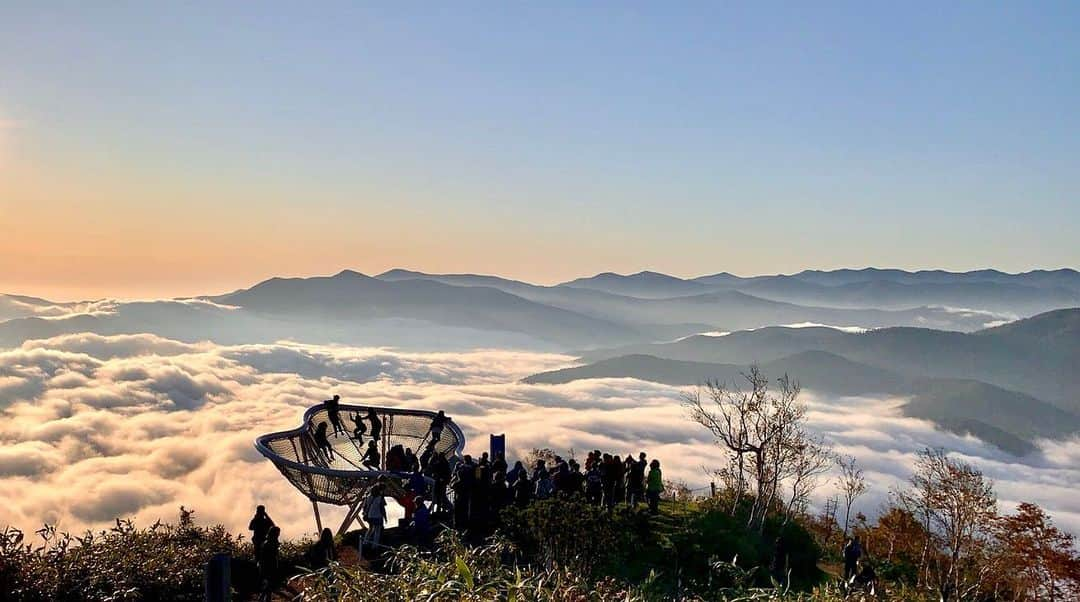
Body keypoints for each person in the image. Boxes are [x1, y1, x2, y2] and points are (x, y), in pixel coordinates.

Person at [257, 525, 280, 602]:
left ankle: (264, 599)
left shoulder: (268, 542)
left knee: (269, 586)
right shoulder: (269, 543)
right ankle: (262, 598)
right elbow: (270, 556)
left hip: (268, 566)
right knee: (268, 585)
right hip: (268, 566)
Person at [362, 488, 387, 553]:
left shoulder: (368, 497)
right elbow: (382, 508)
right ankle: (375, 546)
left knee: (370, 529)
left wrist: (365, 513)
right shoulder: (380, 498)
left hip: (370, 516)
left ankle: (365, 542)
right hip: (378, 516)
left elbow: (364, 506)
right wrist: (385, 517)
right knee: (377, 531)